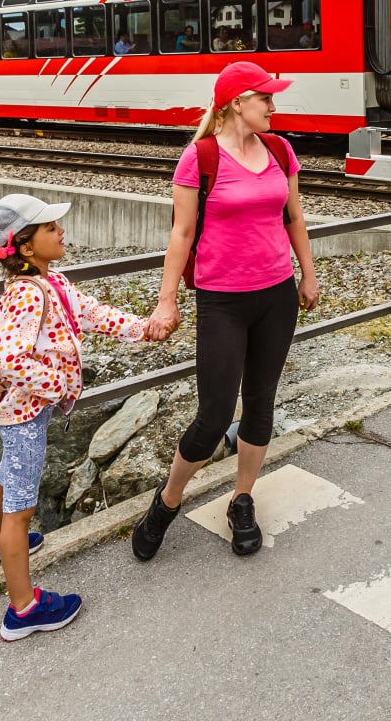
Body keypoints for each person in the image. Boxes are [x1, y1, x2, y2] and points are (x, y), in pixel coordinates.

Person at [131, 61, 321, 561]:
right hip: (222, 301)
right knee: (214, 415)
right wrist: (167, 298)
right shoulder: (201, 157)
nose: (274, 107)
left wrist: (308, 272)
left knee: (260, 404)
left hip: (277, 295)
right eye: (266, 98)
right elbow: (182, 233)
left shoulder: (281, 150)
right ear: (238, 102)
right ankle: (167, 502)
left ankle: (242, 498)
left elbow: (295, 217)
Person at [0, 193, 164, 641]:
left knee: (8, 472)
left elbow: (91, 313)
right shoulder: (27, 295)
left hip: (23, 412)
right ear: (24, 247)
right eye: (50, 228)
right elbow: (10, 362)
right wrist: (58, 387)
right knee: (23, 508)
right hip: (23, 413)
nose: (62, 232)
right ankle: (22, 609)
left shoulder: (51, 282)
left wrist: (143, 328)